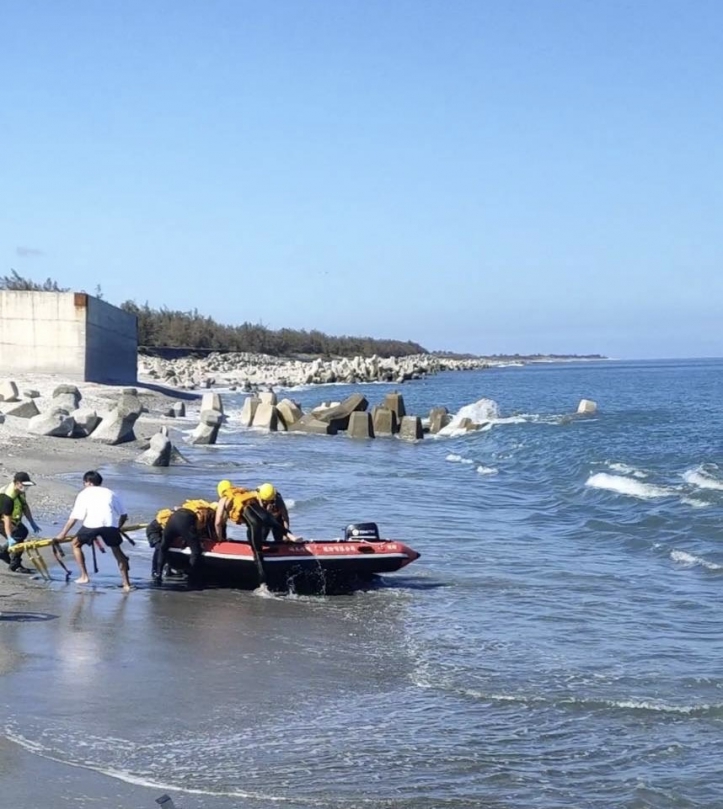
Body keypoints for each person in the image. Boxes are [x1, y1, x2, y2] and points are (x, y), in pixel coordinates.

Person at [54, 470, 131, 592]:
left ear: (88, 482)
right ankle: (126, 584)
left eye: (84, 483)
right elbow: (124, 514)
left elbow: (75, 517)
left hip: (91, 525)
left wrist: (63, 534)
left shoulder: (84, 494)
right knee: (118, 552)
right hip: (110, 525)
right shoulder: (111, 493)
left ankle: (84, 576)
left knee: (75, 544)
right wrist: (118, 528)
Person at [214, 481, 300, 551]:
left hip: (275, 520)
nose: (267, 502)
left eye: (269, 501)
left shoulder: (277, 498)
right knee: (260, 537)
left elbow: (285, 516)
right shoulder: (256, 495)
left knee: (279, 539)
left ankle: (284, 549)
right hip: (262, 519)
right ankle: (260, 549)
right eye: (265, 501)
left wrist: (286, 532)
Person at [152, 498, 217, 587]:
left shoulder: (192, 506)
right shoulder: (205, 512)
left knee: (164, 547)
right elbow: (197, 527)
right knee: (196, 551)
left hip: (173, 518)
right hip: (185, 520)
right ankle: (191, 576)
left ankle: (158, 575)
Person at [0, 471, 41, 574]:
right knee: (18, 534)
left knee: (22, 532)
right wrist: (9, 537)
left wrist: (32, 522)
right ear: (17, 483)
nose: (26, 488)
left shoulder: (20, 491)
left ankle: (6, 555)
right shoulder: (7, 497)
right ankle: (13, 563)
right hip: (2, 518)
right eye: (25, 485)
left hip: (10, 518)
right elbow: (6, 519)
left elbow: (24, 506)